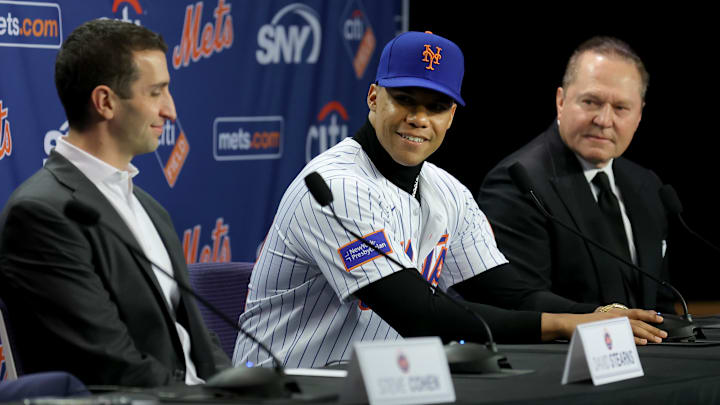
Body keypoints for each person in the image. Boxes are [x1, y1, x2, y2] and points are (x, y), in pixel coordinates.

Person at [233, 31, 666, 369]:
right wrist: (571, 325)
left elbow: (510, 295)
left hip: (384, 385)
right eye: (404, 100)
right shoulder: (334, 186)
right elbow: (420, 314)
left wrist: (603, 315)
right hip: (288, 385)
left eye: (436, 106)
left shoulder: (446, 191)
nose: (419, 119)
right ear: (372, 98)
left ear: (451, 117)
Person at [0, 19, 229, 387]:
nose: (170, 111)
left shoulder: (150, 209)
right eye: (156, 93)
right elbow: (110, 366)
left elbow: (200, 344)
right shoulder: (40, 214)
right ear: (105, 102)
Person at [477, 36, 675, 315]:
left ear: (639, 114)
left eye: (621, 108)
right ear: (561, 101)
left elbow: (662, 302)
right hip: (561, 355)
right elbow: (522, 302)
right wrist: (608, 321)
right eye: (591, 102)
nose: (604, 120)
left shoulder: (648, 185)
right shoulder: (518, 182)